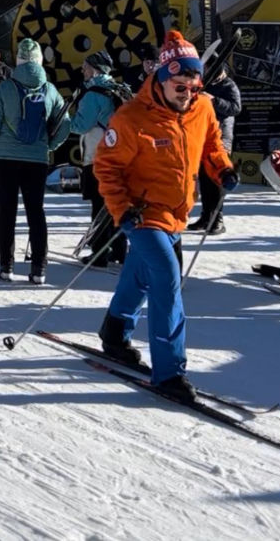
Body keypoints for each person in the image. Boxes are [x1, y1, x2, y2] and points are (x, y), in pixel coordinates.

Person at [93, 30, 239, 402]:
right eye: (179, 85)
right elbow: (106, 168)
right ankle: (170, 372)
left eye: (192, 86)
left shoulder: (202, 108)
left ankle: (114, 331)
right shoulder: (131, 118)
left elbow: (211, 144)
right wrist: (121, 210)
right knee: (166, 279)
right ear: (160, 80)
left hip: (177, 211)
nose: (187, 93)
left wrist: (222, 168)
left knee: (140, 273)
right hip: (141, 214)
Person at [0, 37, 70, 284]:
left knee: (6, 212)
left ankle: (6, 266)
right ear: (40, 60)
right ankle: (39, 269)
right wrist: (48, 146)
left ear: (19, 60)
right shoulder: (50, 90)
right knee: (36, 213)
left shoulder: (6, 88)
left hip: (6, 158)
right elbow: (65, 125)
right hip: (36, 160)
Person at [70, 50, 128, 266]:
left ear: (95, 69)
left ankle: (99, 252)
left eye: (85, 66)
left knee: (98, 204)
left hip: (98, 156)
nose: (82, 70)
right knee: (116, 204)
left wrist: (66, 119)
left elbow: (81, 125)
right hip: (121, 157)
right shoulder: (118, 89)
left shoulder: (93, 94)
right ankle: (120, 249)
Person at [188, 65, 241, 235]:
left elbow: (235, 108)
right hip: (204, 135)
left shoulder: (229, 85)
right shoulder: (206, 83)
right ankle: (206, 217)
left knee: (217, 177)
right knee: (204, 179)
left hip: (221, 136)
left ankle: (218, 219)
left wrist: (214, 100)